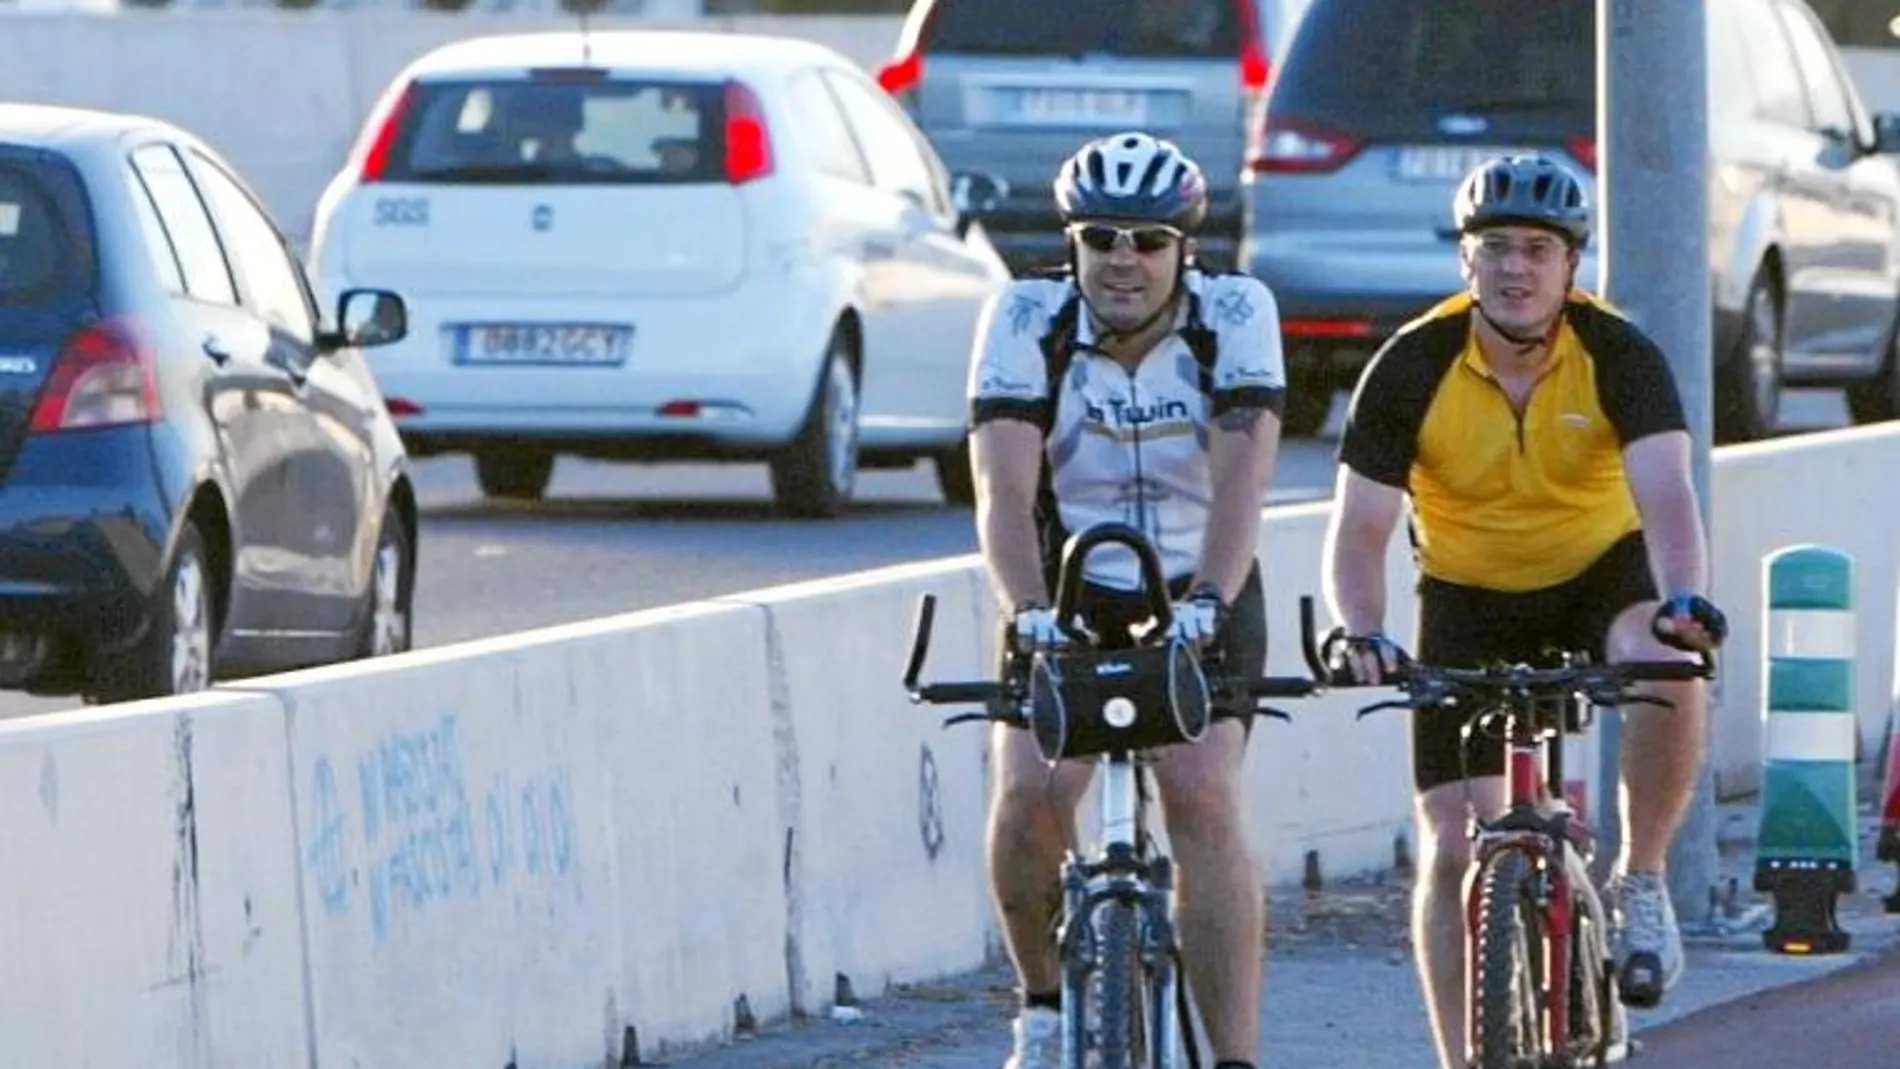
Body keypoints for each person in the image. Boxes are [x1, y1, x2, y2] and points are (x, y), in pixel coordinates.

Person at [1317, 153, 1729, 1069]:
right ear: (1465, 261)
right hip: (1465, 594)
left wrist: (1685, 603)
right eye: (1494, 246)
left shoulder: (1620, 353)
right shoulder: (1412, 362)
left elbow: (1666, 496)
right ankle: (1465, 1058)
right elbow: (1359, 530)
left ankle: (1646, 876)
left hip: (1598, 573)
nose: (1515, 268)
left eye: (1538, 249)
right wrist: (1361, 629)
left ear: (1571, 265)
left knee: (1664, 660)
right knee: (1454, 842)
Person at [963, 131, 1290, 1069]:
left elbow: (1244, 489)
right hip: (1064, 585)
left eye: (1148, 240)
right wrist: (1029, 611)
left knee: (1201, 795)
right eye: (1101, 237)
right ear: (1072, 243)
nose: (1123, 260)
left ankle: (1234, 1055)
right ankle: (1042, 1008)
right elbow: (1003, 494)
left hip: (1202, 578)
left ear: (1184, 248)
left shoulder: (1235, 312)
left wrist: (1210, 603)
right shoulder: (1026, 315)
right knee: (1029, 798)